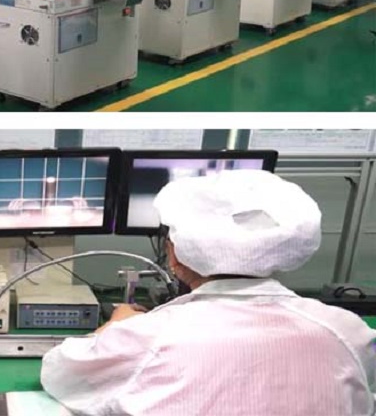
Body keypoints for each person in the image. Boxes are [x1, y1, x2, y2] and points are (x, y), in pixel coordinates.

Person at [41, 170, 376, 415]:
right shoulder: (348, 331)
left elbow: (60, 373)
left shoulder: (149, 336)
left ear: (174, 256)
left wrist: (114, 326)